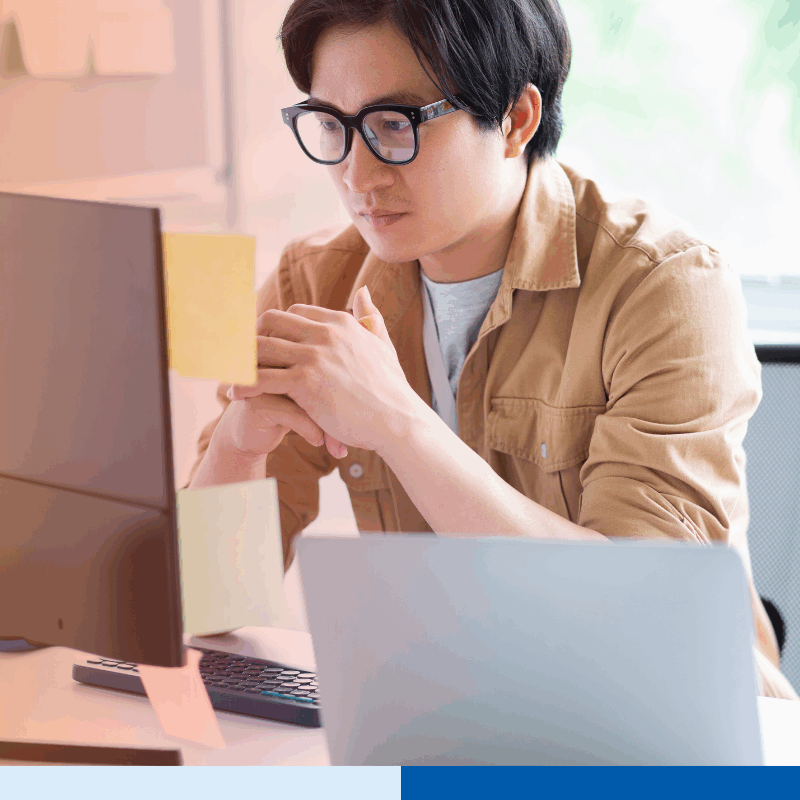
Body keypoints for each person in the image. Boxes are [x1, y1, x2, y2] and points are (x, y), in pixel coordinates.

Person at [186, 0, 797, 700]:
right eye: (333, 125)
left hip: (676, 727)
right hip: (455, 717)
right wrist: (237, 441)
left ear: (516, 119)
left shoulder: (665, 287)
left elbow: (643, 623)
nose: (357, 175)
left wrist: (399, 423)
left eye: (394, 124)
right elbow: (203, 608)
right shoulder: (315, 283)